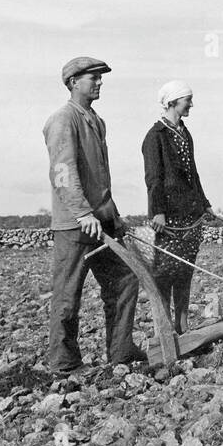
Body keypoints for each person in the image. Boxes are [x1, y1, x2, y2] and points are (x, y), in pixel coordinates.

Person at [43, 56, 147, 372]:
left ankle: (121, 350)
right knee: (68, 292)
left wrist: (112, 215)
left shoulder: (95, 121)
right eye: (93, 78)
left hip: (101, 222)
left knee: (125, 279)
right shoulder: (63, 120)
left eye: (101, 78)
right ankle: (64, 362)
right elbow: (62, 170)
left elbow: (99, 176)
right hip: (76, 224)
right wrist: (82, 212)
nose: (99, 83)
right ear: (74, 82)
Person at [142, 80, 210, 333]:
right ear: (172, 103)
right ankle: (166, 330)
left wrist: (204, 203)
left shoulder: (184, 132)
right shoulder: (155, 136)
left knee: (185, 272)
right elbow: (153, 178)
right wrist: (157, 211)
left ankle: (183, 326)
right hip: (168, 218)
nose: (191, 104)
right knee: (165, 274)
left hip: (190, 215)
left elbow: (193, 172)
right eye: (187, 100)